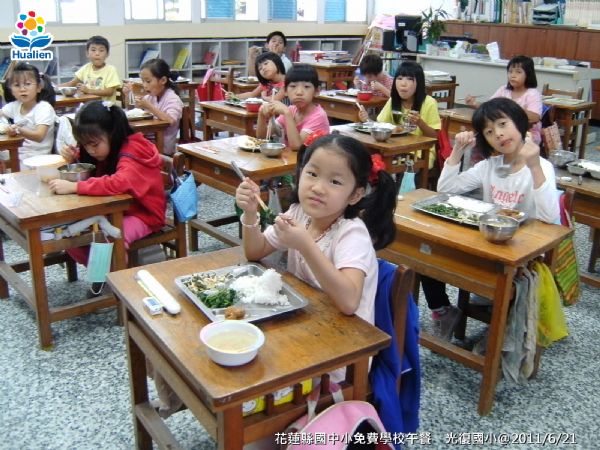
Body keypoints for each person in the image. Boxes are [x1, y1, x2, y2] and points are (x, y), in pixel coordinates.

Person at [235, 135, 397, 379]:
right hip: (304, 325)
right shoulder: (299, 213)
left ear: (355, 195)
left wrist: (305, 245)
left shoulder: (352, 234)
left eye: (335, 181)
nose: (318, 187)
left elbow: (349, 302)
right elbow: (255, 252)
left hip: (343, 353)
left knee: (249, 371)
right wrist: (250, 213)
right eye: (312, 174)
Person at [421, 97, 560, 341]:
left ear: (519, 123)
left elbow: (550, 218)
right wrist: (457, 151)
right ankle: (442, 310)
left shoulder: (541, 167)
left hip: (522, 254)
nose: (498, 134)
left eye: (503, 124)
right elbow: (446, 189)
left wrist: (535, 166)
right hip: (488, 243)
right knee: (426, 252)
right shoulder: (490, 166)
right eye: (489, 131)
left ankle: (499, 326)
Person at [49, 101, 165, 290]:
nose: (90, 150)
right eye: (85, 145)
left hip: (144, 214)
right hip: (117, 209)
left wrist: (75, 186)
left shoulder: (133, 148)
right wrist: (75, 157)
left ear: (112, 133)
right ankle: (106, 270)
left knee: (110, 235)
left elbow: (119, 182)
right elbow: (97, 167)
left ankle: (116, 287)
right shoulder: (110, 146)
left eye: (94, 144)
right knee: (71, 233)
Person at [359, 61, 440, 168]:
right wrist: (367, 120)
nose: (403, 83)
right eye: (400, 78)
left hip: (420, 153)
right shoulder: (393, 100)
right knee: (365, 161)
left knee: (385, 168)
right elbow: (381, 125)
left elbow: (434, 137)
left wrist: (420, 123)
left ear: (419, 83)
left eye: (409, 79)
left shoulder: (429, 103)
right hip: (395, 150)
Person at [465, 55, 543, 144]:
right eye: (510, 72)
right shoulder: (504, 90)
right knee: (480, 138)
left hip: (526, 134)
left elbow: (535, 117)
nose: (513, 75)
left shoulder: (532, 93)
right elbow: (489, 107)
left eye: (518, 72)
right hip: (502, 131)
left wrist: (510, 108)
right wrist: (474, 103)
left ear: (528, 75)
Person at [256, 64, 329, 151]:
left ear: (316, 91)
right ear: (285, 91)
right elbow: (262, 137)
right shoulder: (291, 109)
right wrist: (261, 114)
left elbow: (297, 147)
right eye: (293, 86)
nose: (299, 92)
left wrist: (287, 114)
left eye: (306, 87)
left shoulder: (319, 116)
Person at [122, 58, 183, 155]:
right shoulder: (151, 96)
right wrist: (128, 95)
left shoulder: (173, 99)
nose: (144, 85)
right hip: (148, 141)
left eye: (148, 81)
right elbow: (133, 110)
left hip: (162, 146)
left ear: (163, 80)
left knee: (127, 150)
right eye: (143, 81)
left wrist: (149, 106)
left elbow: (170, 120)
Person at [0, 62, 56, 162]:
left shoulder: (44, 108)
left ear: (38, 88)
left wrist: (18, 130)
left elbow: (39, 136)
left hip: (37, 158)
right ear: (12, 90)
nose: (22, 89)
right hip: (18, 152)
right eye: (17, 85)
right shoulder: (15, 105)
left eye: (28, 84)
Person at [60, 35, 121, 102]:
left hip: (105, 107)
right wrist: (53, 87)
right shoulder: (86, 68)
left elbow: (109, 92)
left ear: (107, 54)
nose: (97, 53)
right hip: (88, 105)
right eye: (93, 50)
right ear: (87, 53)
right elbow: (71, 84)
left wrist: (88, 90)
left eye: (101, 50)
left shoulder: (111, 70)